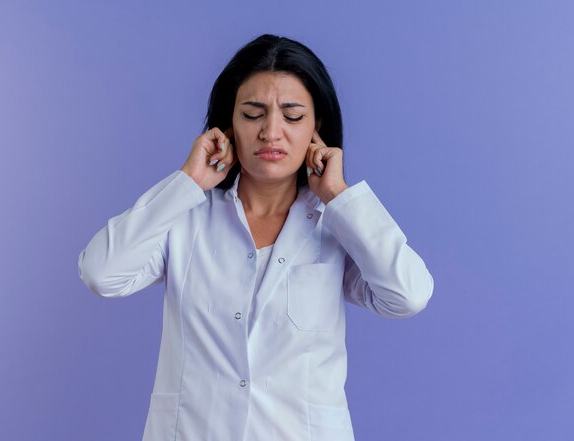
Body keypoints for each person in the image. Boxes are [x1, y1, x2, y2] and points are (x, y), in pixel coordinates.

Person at [78, 33, 434, 441]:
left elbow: (408, 295)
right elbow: (101, 273)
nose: (271, 131)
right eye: (253, 114)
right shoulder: (187, 216)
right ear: (228, 124)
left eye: (292, 116)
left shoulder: (336, 225)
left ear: (317, 126)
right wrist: (188, 181)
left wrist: (339, 196)